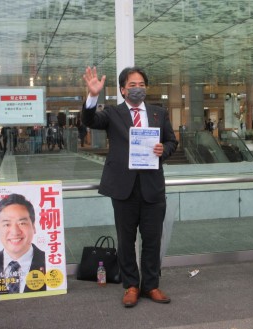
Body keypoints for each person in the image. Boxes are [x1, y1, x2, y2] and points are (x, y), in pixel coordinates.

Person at [81, 66, 178, 307]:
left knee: (152, 239)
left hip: (152, 187)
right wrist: (93, 96)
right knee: (126, 240)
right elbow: (90, 120)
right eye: (132, 85)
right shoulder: (113, 113)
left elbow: (171, 141)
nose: (138, 88)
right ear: (123, 90)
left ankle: (151, 285)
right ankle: (131, 285)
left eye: (141, 84)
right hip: (124, 188)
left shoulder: (158, 113)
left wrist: (162, 150)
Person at [0, 194, 46, 294]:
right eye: (7, 224)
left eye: (22, 223)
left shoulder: (50, 262)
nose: (15, 232)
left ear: (33, 226)